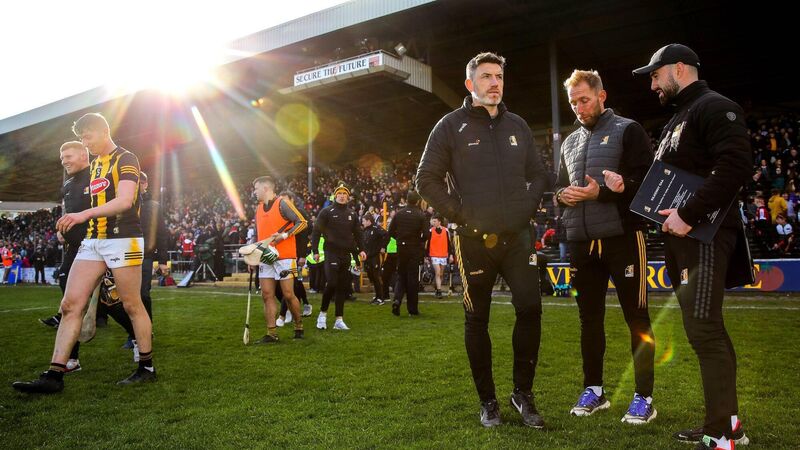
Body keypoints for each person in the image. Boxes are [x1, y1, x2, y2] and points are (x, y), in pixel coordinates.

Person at [417, 52, 549, 428]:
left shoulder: (518, 125)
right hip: (473, 240)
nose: (495, 83)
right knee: (477, 319)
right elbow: (425, 179)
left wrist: (525, 208)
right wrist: (461, 214)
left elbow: (540, 174)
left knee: (530, 309)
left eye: (499, 76)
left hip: (518, 237)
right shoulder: (450, 126)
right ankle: (488, 401)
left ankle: (522, 394)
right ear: (470, 83)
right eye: (487, 76)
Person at [633, 43, 752, 449]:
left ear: (679, 68)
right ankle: (728, 424)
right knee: (707, 329)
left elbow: (735, 165)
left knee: (704, 331)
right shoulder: (679, 117)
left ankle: (720, 435)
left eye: (655, 75)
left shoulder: (715, 106)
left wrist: (688, 214)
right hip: (685, 237)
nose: (652, 84)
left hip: (703, 235)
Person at [13, 112, 156, 393]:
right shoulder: (95, 165)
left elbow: (125, 201)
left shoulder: (126, 158)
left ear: (103, 132)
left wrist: (82, 215)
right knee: (70, 305)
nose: (85, 143)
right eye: (82, 139)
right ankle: (55, 375)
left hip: (123, 239)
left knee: (131, 305)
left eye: (87, 137)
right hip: (93, 240)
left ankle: (146, 367)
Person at [554, 69, 656, 423]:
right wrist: (562, 195)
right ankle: (594, 390)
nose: (579, 108)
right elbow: (558, 186)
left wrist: (611, 190)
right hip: (581, 242)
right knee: (589, 319)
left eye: (584, 100)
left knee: (636, 317)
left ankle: (644, 396)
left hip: (623, 237)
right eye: (573, 103)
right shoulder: (569, 142)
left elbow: (649, 183)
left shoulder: (629, 130)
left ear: (601, 96)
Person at [249, 176, 307, 343]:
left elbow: (302, 222)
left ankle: (298, 326)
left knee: (288, 294)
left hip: (284, 257)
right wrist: (253, 255)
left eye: (256, 189)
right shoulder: (259, 209)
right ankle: (271, 333)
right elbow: (258, 235)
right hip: (265, 256)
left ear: (266, 188)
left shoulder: (283, 203)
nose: (254, 192)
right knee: (267, 294)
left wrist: (284, 235)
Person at [121, 171, 169, 350]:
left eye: (140, 183)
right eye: (134, 183)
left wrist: (163, 260)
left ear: (146, 184)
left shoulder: (154, 206)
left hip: (145, 256)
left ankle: (146, 331)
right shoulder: (124, 204)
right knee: (126, 297)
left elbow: (162, 234)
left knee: (143, 295)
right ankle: (133, 333)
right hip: (125, 255)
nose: (137, 186)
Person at [310, 182, 366, 331]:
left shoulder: (352, 214)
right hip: (331, 252)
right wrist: (315, 251)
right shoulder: (326, 212)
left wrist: (362, 249)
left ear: (348, 197)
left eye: (344, 194)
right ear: (335, 196)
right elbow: (316, 232)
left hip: (346, 254)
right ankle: (322, 314)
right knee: (332, 283)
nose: (342, 196)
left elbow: (358, 234)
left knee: (342, 286)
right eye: (339, 193)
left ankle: (339, 320)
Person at [388, 191, 429, 316]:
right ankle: (412, 309)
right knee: (412, 278)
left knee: (401, 276)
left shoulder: (399, 214)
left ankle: (397, 300)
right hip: (414, 249)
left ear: (406, 200)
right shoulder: (420, 215)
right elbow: (426, 234)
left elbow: (390, 231)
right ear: (417, 201)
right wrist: (418, 241)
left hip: (401, 248)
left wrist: (399, 238)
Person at [361, 214, 389, 305]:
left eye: (364, 221)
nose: (362, 222)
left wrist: (383, 247)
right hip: (368, 257)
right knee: (372, 277)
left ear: (369, 221)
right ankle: (378, 296)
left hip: (375, 257)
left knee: (376, 277)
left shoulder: (376, 228)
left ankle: (381, 298)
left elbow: (386, 235)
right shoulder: (365, 230)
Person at [426, 214, 454, 299]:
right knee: (437, 272)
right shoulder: (430, 231)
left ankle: (437, 287)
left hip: (443, 255)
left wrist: (451, 255)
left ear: (439, 222)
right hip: (434, 254)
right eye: (433, 221)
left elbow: (449, 244)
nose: (433, 223)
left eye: (435, 221)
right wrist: (426, 256)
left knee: (441, 274)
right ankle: (439, 291)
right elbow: (427, 244)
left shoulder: (446, 230)